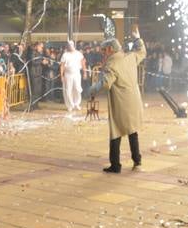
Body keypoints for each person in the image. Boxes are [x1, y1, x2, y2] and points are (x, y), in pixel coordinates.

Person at [88, 26, 147, 173]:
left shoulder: (112, 64)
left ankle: (115, 165)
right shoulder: (130, 56)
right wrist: (137, 38)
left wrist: (93, 89)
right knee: (132, 131)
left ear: (110, 49)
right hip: (134, 101)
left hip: (121, 103)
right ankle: (137, 161)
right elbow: (142, 51)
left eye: (104, 50)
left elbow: (106, 83)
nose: (103, 53)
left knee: (115, 133)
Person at [59, 41, 84, 113]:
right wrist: (62, 76)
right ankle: (70, 105)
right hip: (68, 74)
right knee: (68, 90)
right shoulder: (65, 55)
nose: (70, 46)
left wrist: (85, 72)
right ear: (67, 46)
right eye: (69, 45)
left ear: (74, 45)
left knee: (77, 89)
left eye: (71, 45)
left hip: (77, 74)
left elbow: (83, 62)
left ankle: (77, 104)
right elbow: (62, 66)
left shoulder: (79, 54)